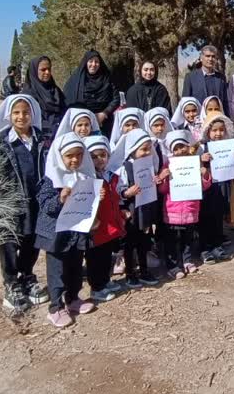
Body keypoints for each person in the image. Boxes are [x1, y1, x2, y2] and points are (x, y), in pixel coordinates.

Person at [0, 94, 48, 313]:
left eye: (25, 112)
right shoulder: (3, 143)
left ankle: (27, 276)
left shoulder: (43, 140)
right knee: (9, 241)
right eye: (16, 113)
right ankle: (11, 282)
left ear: (33, 114)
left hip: (37, 200)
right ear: (9, 116)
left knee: (32, 239)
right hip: (10, 201)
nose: (21, 116)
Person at [35, 134, 99, 328]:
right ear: (59, 156)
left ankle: (73, 298)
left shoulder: (85, 175)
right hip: (56, 234)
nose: (75, 160)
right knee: (57, 270)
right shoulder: (51, 178)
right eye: (69, 156)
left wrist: (99, 196)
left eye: (79, 155)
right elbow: (45, 205)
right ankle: (56, 307)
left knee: (75, 266)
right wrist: (60, 199)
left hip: (76, 232)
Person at [116, 129, 165, 288]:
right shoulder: (124, 168)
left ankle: (144, 271)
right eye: (142, 149)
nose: (146, 152)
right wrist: (126, 193)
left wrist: (155, 181)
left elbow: (150, 184)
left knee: (144, 242)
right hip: (132, 211)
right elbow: (118, 191)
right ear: (132, 149)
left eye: (148, 149)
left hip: (145, 209)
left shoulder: (150, 164)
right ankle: (130, 273)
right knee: (130, 244)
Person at [158, 130, 210, 278]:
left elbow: (205, 186)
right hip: (172, 210)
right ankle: (173, 265)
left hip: (190, 208)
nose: (180, 150)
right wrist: (163, 178)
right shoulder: (168, 165)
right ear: (171, 150)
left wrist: (204, 174)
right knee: (172, 239)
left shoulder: (195, 162)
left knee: (188, 238)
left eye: (183, 147)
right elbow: (163, 190)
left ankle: (186, 261)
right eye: (176, 148)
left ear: (188, 147)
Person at [83, 135, 125, 303]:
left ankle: (105, 280)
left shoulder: (110, 175)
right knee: (95, 257)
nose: (99, 159)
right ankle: (97, 287)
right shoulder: (87, 177)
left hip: (109, 224)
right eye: (94, 156)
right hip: (96, 227)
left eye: (103, 155)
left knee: (107, 254)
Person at [197, 113, 234, 263]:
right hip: (205, 191)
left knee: (218, 217)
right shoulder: (200, 148)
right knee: (204, 219)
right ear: (208, 132)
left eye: (221, 130)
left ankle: (217, 245)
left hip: (221, 187)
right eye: (214, 130)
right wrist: (201, 159)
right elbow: (189, 163)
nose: (218, 134)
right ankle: (204, 249)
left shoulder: (228, 146)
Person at [63, 50, 119, 135]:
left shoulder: (107, 79)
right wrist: (85, 118)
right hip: (82, 125)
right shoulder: (76, 80)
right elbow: (68, 101)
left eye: (96, 62)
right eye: (91, 61)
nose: (93, 64)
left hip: (103, 123)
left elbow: (116, 98)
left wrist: (104, 113)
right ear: (86, 62)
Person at [22, 56, 67, 143]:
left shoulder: (55, 90)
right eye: (43, 70)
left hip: (60, 135)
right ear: (34, 71)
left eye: (49, 69)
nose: (47, 72)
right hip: (39, 139)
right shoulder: (28, 94)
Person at [182, 45, 230, 114]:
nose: (210, 59)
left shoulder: (221, 78)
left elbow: (225, 102)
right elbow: (185, 102)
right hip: (198, 120)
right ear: (201, 58)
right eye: (207, 56)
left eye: (213, 56)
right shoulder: (190, 77)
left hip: (216, 118)